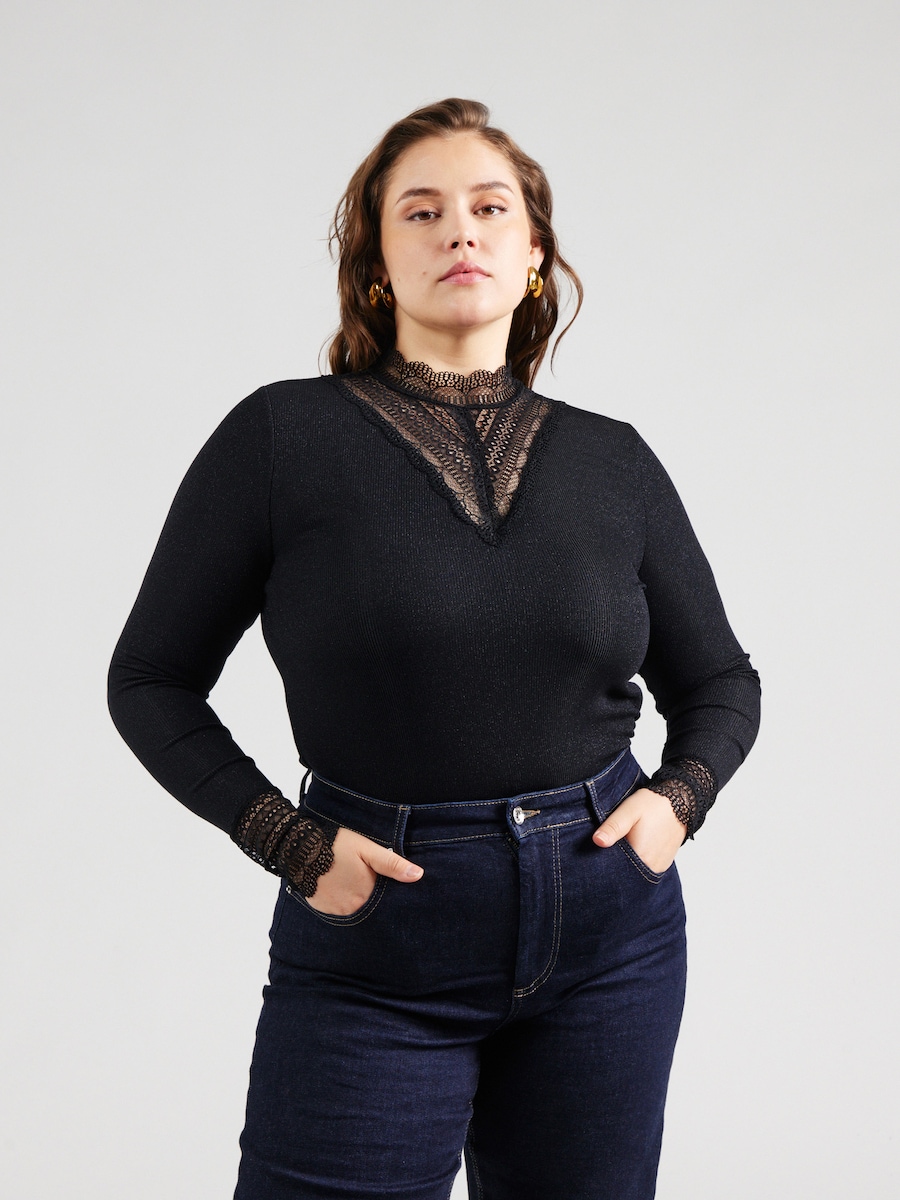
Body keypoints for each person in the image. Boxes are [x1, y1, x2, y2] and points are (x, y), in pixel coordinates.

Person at [108, 97, 760, 1200]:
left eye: (490, 208)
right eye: (421, 211)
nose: (460, 230)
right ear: (376, 264)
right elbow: (149, 680)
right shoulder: (281, 438)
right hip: (379, 942)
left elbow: (721, 682)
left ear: (534, 255)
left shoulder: (615, 461)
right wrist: (288, 843)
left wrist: (677, 803)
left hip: (612, 941)